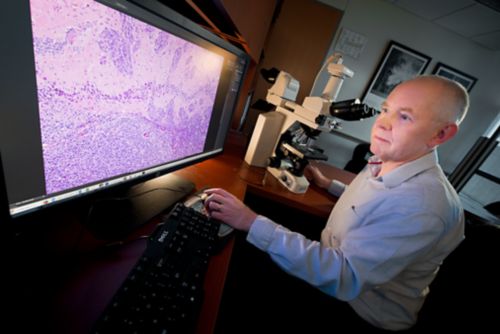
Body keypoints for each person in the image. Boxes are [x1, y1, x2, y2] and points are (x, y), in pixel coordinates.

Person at [204, 75, 469, 331]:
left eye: (404, 117)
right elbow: (374, 205)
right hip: (333, 265)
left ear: (441, 134)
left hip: (357, 309)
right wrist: (329, 185)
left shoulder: (423, 206)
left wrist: (249, 221)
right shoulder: (393, 158)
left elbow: (344, 277)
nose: (382, 124)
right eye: (386, 110)